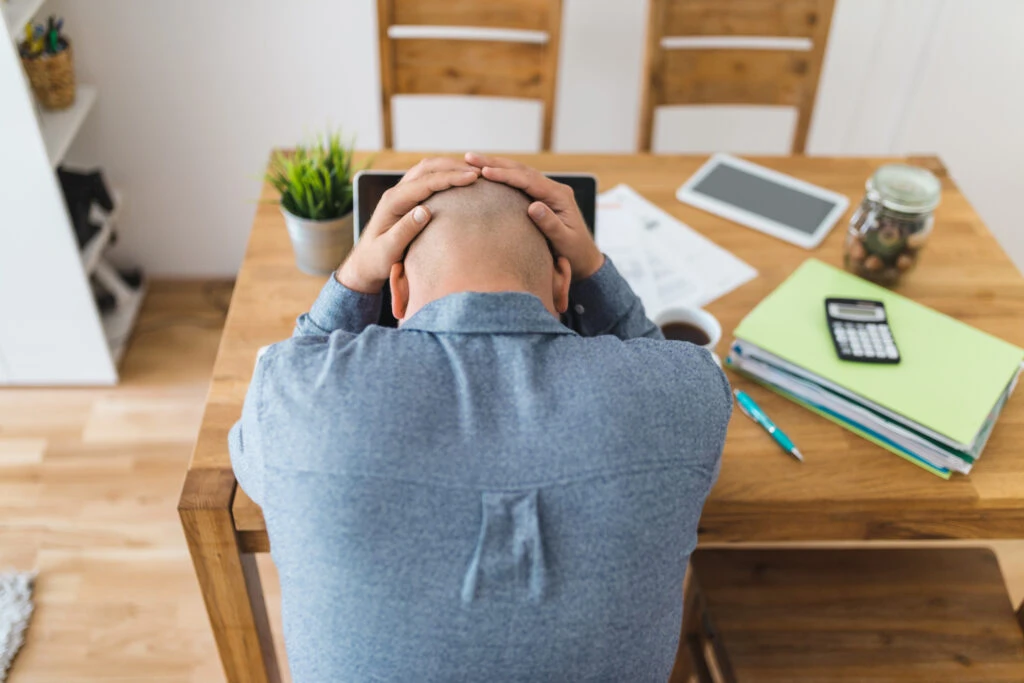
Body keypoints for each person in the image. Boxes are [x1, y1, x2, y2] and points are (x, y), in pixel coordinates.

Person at [229, 154, 732, 682]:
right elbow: (659, 368)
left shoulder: (292, 392)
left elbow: (258, 448)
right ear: (564, 285)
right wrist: (594, 268)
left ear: (395, 289)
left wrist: (354, 278)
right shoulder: (685, 393)